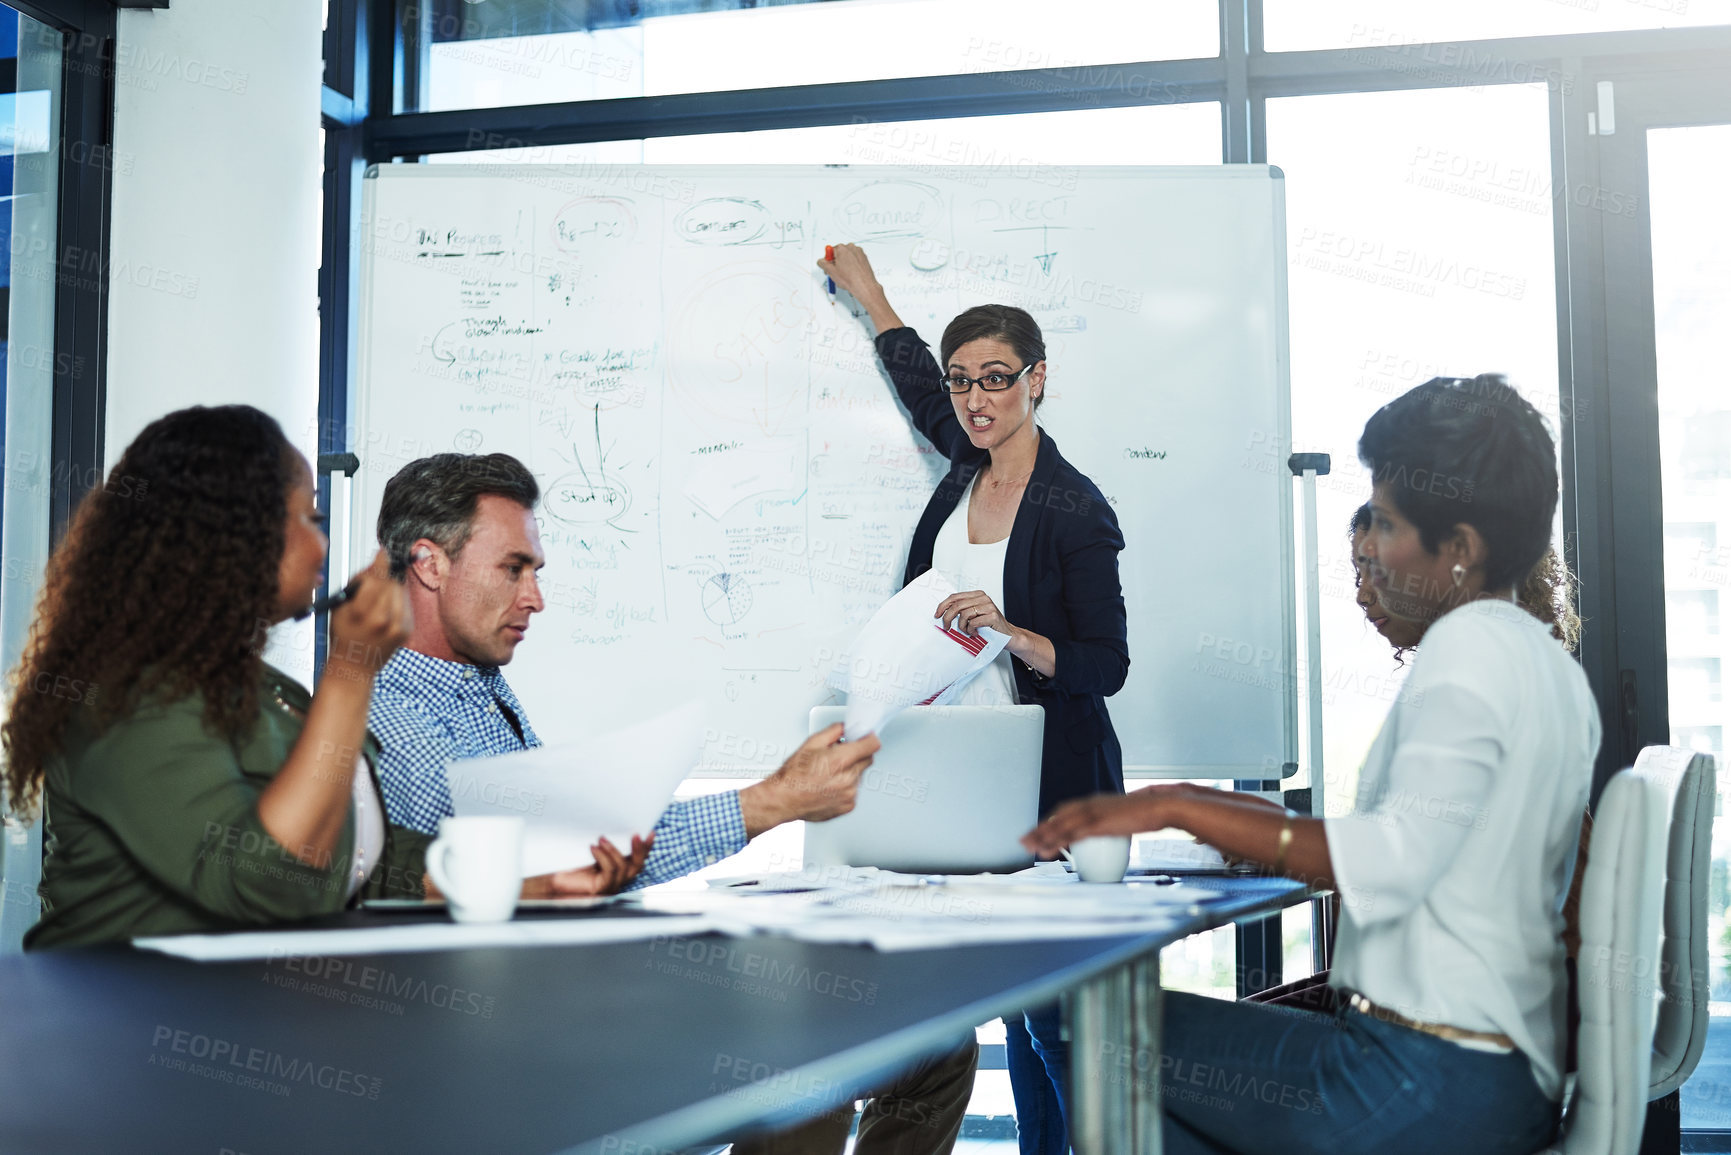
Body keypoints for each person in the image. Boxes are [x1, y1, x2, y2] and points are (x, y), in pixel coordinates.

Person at [1026, 375, 1598, 1154]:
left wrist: (1174, 805)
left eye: (1389, 524)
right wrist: (1202, 802)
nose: (1369, 546)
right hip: (1490, 1080)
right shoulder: (1539, 663)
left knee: (1075, 1013)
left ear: (1459, 549)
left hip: (1421, 1082)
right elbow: (1411, 843)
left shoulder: (1467, 653)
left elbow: (1388, 863)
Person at [364, 452, 974, 1155]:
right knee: (809, 1063)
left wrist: (768, 806)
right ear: (429, 565)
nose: (535, 598)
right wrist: (770, 802)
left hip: (601, 989)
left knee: (941, 1045)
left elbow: (584, 855)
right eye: (513, 568)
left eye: (535, 571)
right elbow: (547, 878)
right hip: (548, 1038)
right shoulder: (395, 715)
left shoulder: (474, 687)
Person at [9, 407, 645, 951]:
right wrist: (350, 671)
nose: (323, 545)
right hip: (127, 1047)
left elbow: (371, 863)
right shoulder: (127, 698)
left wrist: (536, 887)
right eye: (309, 519)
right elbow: (270, 882)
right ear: (241, 531)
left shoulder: (258, 690)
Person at [819, 243, 1130, 1155]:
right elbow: (916, 382)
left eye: (996, 379)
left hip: (1050, 782)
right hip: (947, 786)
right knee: (996, 1006)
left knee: (1055, 1024)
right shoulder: (964, 457)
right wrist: (870, 295)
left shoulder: (1075, 507)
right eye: (964, 383)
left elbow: (1103, 663)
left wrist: (1010, 631)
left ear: (1039, 379)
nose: (974, 400)